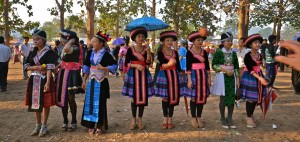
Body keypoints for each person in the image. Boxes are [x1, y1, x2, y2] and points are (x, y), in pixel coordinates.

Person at [81, 31, 117, 135]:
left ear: (101, 43)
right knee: (90, 103)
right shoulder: (90, 53)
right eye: (92, 42)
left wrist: (104, 68)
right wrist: (84, 80)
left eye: (95, 42)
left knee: (100, 104)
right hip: (91, 82)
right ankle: (91, 125)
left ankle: (100, 125)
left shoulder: (106, 55)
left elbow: (115, 66)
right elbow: (86, 66)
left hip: (101, 82)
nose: (92, 43)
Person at [24, 30, 56, 136]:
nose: (35, 41)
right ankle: (37, 125)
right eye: (34, 39)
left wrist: (47, 82)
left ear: (43, 40)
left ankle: (44, 125)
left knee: (45, 104)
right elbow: (26, 65)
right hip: (34, 79)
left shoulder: (50, 52)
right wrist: (36, 67)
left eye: (37, 39)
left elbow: (49, 68)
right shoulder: (33, 51)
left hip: (44, 79)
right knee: (35, 102)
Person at [122, 28, 154, 130]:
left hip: (144, 74)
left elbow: (149, 63)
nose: (141, 38)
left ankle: (140, 118)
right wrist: (136, 66)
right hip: (133, 74)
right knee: (134, 97)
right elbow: (126, 63)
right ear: (134, 38)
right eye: (138, 36)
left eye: (143, 36)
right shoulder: (130, 50)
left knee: (143, 96)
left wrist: (149, 52)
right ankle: (133, 119)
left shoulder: (146, 49)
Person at [55, 29, 84, 132]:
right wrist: (57, 66)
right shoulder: (64, 48)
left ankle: (74, 121)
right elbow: (64, 60)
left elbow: (67, 49)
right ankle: (65, 121)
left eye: (63, 40)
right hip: (63, 74)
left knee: (71, 98)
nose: (62, 42)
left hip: (71, 75)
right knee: (64, 98)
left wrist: (71, 40)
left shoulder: (75, 47)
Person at [240, 34, 269, 128]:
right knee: (251, 98)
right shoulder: (247, 56)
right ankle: (248, 117)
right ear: (250, 45)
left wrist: (263, 77)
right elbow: (250, 69)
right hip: (250, 77)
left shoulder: (259, 55)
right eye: (255, 42)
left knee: (256, 98)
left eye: (259, 42)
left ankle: (251, 115)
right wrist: (260, 78)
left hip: (258, 76)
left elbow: (258, 68)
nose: (258, 44)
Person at [211, 32, 239, 129]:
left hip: (232, 78)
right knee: (223, 98)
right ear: (223, 42)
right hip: (222, 77)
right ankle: (222, 118)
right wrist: (225, 70)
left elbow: (236, 67)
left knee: (232, 97)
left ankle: (230, 118)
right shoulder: (218, 52)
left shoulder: (234, 53)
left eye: (231, 41)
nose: (230, 42)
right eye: (228, 41)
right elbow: (214, 65)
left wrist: (238, 79)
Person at [155, 30, 182, 129]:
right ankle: (165, 118)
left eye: (171, 40)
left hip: (174, 76)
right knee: (165, 98)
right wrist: (169, 64)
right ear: (163, 42)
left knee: (172, 97)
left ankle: (170, 118)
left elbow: (178, 65)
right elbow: (161, 64)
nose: (170, 42)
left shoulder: (175, 52)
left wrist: (182, 73)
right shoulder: (160, 52)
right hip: (164, 76)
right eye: (167, 40)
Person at [184, 31, 211, 128]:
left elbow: (207, 65)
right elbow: (188, 67)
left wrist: (209, 78)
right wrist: (189, 80)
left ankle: (199, 116)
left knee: (201, 97)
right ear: (193, 41)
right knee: (194, 97)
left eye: (201, 40)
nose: (200, 42)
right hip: (194, 75)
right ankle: (193, 117)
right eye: (198, 40)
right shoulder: (189, 52)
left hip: (203, 75)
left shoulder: (204, 52)